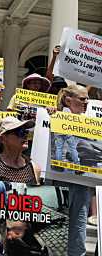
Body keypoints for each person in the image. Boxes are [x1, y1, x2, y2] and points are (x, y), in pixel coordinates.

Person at [54, 84, 90, 256]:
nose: (87, 102)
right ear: (68, 100)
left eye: (87, 98)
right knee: (59, 226)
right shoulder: (54, 115)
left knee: (79, 228)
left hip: (83, 183)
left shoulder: (91, 121)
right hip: (61, 180)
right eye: (82, 99)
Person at [0, 116, 41, 184]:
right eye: (20, 132)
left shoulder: (34, 168)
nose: (25, 136)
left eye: (26, 132)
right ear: (2, 139)